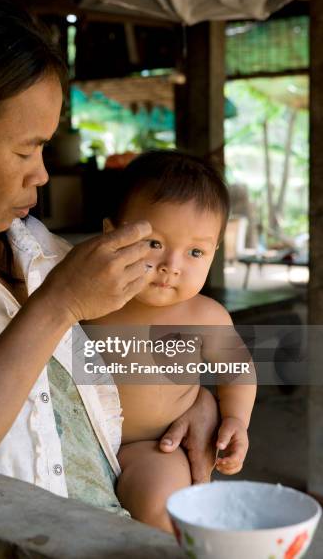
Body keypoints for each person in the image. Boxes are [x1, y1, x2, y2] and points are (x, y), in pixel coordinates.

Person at [0, 0, 219, 515]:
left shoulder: (38, 250)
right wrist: (56, 307)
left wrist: (199, 403)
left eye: (45, 149)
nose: (42, 174)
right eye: (24, 150)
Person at [89, 151, 257, 531]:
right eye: (154, 243)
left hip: (153, 446)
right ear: (111, 233)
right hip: (77, 441)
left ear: (213, 254)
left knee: (161, 509)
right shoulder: (89, 298)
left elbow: (238, 371)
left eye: (195, 252)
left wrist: (235, 420)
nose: (172, 265)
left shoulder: (205, 317)